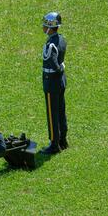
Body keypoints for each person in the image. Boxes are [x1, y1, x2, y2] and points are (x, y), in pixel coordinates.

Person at [41, 12, 68, 154]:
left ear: (50, 28)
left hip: (51, 81)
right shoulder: (61, 39)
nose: (43, 28)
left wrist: (59, 69)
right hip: (61, 81)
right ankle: (63, 140)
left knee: (52, 114)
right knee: (61, 110)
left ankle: (54, 144)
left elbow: (53, 64)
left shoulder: (50, 45)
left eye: (45, 25)